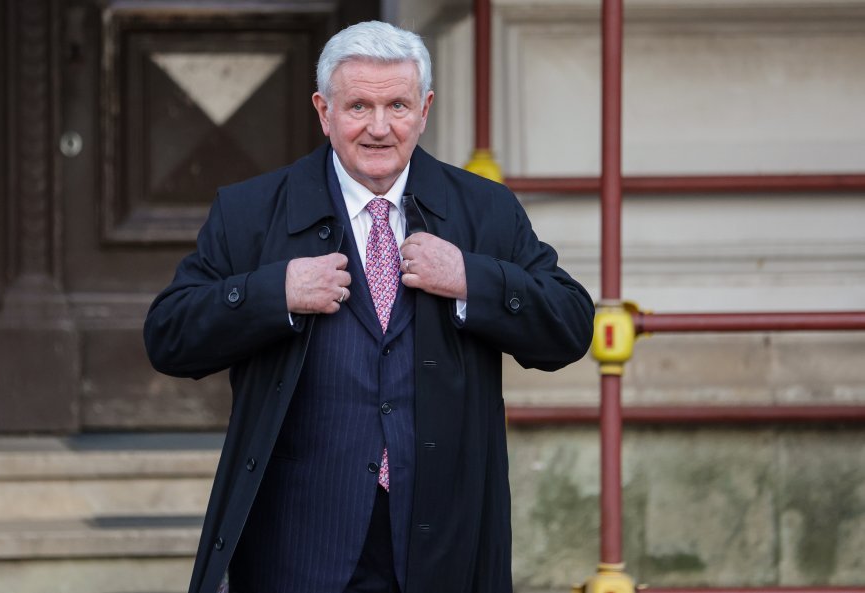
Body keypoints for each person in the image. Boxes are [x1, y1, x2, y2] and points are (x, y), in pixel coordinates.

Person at [144, 20, 594, 593]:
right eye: (358, 106)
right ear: (324, 111)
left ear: (424, 110)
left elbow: (571, 325)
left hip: (443, 544)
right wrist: (274, 292)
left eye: (397, 106)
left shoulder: (486, 209)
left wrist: (471, 280)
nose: (379, 128)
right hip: (299, 546)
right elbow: (170, 336)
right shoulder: (250, 212)